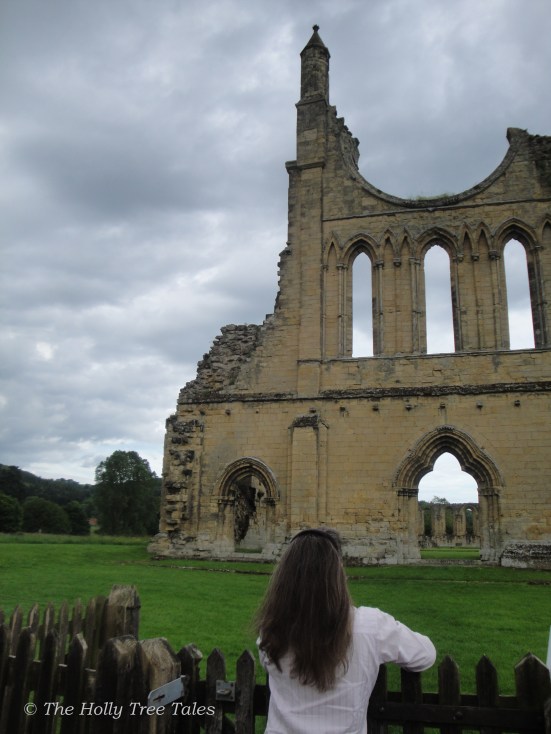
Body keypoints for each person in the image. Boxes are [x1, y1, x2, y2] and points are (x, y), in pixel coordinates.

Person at [255, 528, 436, 733]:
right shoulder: (370, 625)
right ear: (339, 573)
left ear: (284, 578)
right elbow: (425, 655)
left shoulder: (270, 631)